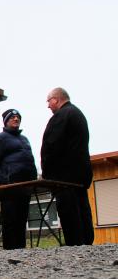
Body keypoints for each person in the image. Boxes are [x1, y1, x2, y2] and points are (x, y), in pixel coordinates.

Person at [41, 87, 94, 246]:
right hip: (80, 175)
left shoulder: (61, 116)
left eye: (49, 101)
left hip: (64, 177)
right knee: (82, 210)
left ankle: (75, 246)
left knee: (70, 213)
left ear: (56, 99)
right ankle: (86, 243)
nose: (48, 106)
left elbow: (51, 146)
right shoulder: (78, 114)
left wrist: (47, 175)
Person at [0, 109, 38, 250]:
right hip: (9, 188)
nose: (16, 119)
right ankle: (10, 252)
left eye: (18, 117)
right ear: (6, 121)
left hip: (25, 187)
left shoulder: (24, 139)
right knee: (11, 221)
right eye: (12, 117)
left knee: (21, 221)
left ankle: (21, 251)